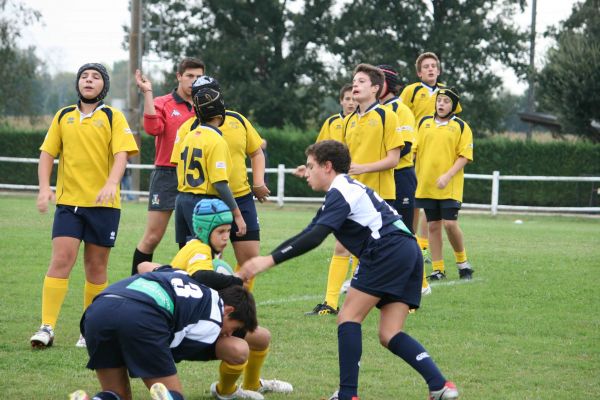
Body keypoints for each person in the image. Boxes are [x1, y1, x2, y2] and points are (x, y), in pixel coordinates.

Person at [238, 140, 459, 400]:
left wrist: (267, 261)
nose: (306, 173)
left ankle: (347, 395)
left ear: (327, 166)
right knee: (390, 334)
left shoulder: (340, 191)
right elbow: (312, 230)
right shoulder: (346, 190)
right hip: (408, 250)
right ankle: (439, 385)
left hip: (385, 249)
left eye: (310, 167)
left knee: (348, 318)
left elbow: (316, 236)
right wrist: (270, 257)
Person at [138, 199, 293, 399]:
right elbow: (200, 276)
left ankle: (253, 385)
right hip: (188, 328)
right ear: (203, 230)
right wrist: (234, 280)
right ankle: (226, 392)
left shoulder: (207, 250)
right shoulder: (199, 249)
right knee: (239, 349)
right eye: (220, 232)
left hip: (204, 320)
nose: (226, 238)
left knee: (262, 337)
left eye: (228, 231)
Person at [31, 63, 139, 349]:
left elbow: (122, 155)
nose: (88, 80)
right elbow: (46, 154)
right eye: (84, 76)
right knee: (61, 260)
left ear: (104, 85)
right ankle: (46, 327)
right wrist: (44, 188)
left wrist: (111, 183)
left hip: (104, 206)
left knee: (96, 267)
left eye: (95, 77)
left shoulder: (113, 116)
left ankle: (88, 329)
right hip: (69, 204)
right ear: (77, 84)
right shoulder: (63, 116)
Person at [68, 268, 258, 400]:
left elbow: (144, 266)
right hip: (142, 317)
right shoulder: (214, 316)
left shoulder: (181, 275)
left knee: (116, 393)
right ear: (228, 310)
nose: (228, 334)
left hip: (99, 310)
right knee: (174, 394)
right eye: (233, 328)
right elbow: (171, 348)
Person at [306, 64, 404, 316]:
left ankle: (392, 300)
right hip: (352, 196)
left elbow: (394, 160)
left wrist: (362, 168)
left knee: (375, 252)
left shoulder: (387, 116)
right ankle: (329, 303)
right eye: (354, 81)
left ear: (375, 88)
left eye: (361, 81)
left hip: (379, 196)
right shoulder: (347, 121)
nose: (355, 85)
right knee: (342, 246)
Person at [176, 103, 270, 292]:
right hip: (208, 203)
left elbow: (256, 151)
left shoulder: (234, 121)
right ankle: (211, 306)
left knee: (246, 258)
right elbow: (218, 182)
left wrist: (257, 183)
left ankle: (232, 303)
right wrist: (236, 215)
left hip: (217, 198)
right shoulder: (203, 134)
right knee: (207, 262)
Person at [131, 58, 205, 275]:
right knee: (152, 237)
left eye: (199, 77)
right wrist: (147, 93)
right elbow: (152, 129)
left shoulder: (206, 106)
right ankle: (134, 288)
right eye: (190, 76)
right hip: (166, 174)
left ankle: (190, 294)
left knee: (193, 240)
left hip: (196, 177)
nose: (194, 81)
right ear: (179, 77)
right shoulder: (163, 102)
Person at [293, 83, 360, 315]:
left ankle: (350, 300)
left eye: (354, 97)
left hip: (360, 189)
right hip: (340, 187)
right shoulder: (332, 122)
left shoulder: (367, 119)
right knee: (343, 246)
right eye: (347, 98)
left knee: (361, 248)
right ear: (341, 100)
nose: (351, 102)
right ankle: (331, 302)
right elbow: (318, 151)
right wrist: (310, 167)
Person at [170, 75, 246, 249]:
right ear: (221, 112)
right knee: (206, 256)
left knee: (187, 255)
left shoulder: (189, 136)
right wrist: (237, 215)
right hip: (203, 204)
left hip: (182, 200)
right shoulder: (217, 141)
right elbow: (219, 184)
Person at [400, 52, 463, 265]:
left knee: (430, 200)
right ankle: (413, 243)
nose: (430, 69)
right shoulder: (412, 90)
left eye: (433, 66)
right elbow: (399, 115)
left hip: (436, 154)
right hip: (414, 152)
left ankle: (423, 247)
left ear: (439, 70)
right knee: (414, 202)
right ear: (419, 72)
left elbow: (454, 120)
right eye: (426, 66)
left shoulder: (446, 92)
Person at [377, 64, 431, 295]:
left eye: (375, 80)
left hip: (400, 177)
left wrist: (372, 159)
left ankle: (421, 284)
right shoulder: (374, 111)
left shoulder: (401, 109)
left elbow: (406, 146)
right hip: (380, 176)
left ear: (385, 84)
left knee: (404, 234)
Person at [414, 87, 474, 281]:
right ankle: (438, 269)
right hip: (426, 185)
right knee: (432, 226)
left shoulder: (462, 127)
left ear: (454, 106)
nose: (441, 104)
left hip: (450, 186)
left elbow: (464, 156)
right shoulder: (423, 123)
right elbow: (413, 150)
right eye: (439, 100)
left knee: (449, 224)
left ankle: (463, 264)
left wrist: (447, 176)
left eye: (446, 101)